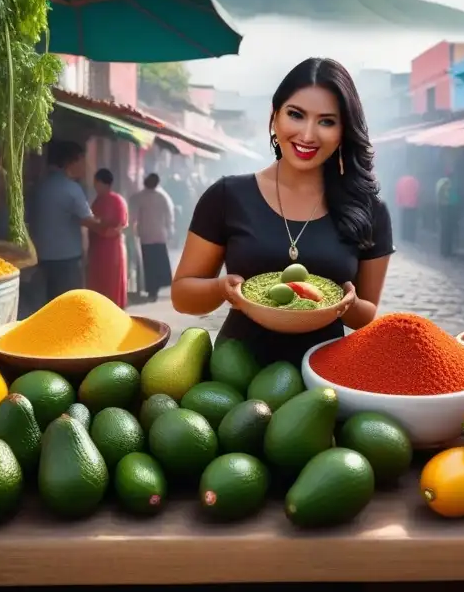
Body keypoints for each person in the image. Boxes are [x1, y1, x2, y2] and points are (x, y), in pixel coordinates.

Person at [171, 57, 394, 366]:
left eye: (327, 121)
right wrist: (222, 288)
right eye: (296, 115)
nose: (307, 134)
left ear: (344, 130)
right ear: (275, 117)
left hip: (325, 377)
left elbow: (366, 315)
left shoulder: (369, 210)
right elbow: (182, 296)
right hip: (234, 374)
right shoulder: (227, 196)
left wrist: (349, 304)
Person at [30, 141, 107, 302]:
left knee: (48, 306)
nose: (84, 167)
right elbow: (90, 222)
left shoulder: (41, 185)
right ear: (70, 162)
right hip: (66, 261)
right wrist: (110, 224)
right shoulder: (72, 189)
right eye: (82, 161)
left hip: (41, 257)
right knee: (69, 306)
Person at [86, 168, 129, 308]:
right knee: (98, 282)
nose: (95, 186)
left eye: (96, 182)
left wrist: (98, 228)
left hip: (112, 249)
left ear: (102, 183)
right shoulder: (98, 201)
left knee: (112, 282)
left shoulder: (117, 201)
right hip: (97, 248)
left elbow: (118, 227)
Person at [130, 172, 175, 302]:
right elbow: (169, 215)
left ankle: (152, 289)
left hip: (146, 236)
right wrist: (170, 230)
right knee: (159, 262)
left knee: (149, 263)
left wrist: (133, 230)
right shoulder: (163, 196)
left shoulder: (139, 197)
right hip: (160, 234)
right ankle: (158, 287)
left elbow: (133, 217)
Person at [436, 171, 461, 256]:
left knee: (444, 231)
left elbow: (437, 196)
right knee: (449, 231)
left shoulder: (439, 183)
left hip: (442, 208)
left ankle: (443, 250)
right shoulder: (451, 185)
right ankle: (448, 251)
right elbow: (454, 199)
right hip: (449, 210)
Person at [395, 172, 420, 243]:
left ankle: (404, 237)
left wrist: (398, 202)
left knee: (404, 222)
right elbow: (417, 191)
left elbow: (398, 191)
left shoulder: (401, 180)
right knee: (411, 222)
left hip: (403, 204)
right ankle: (411, 238)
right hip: (413, 204)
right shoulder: (414, 180)